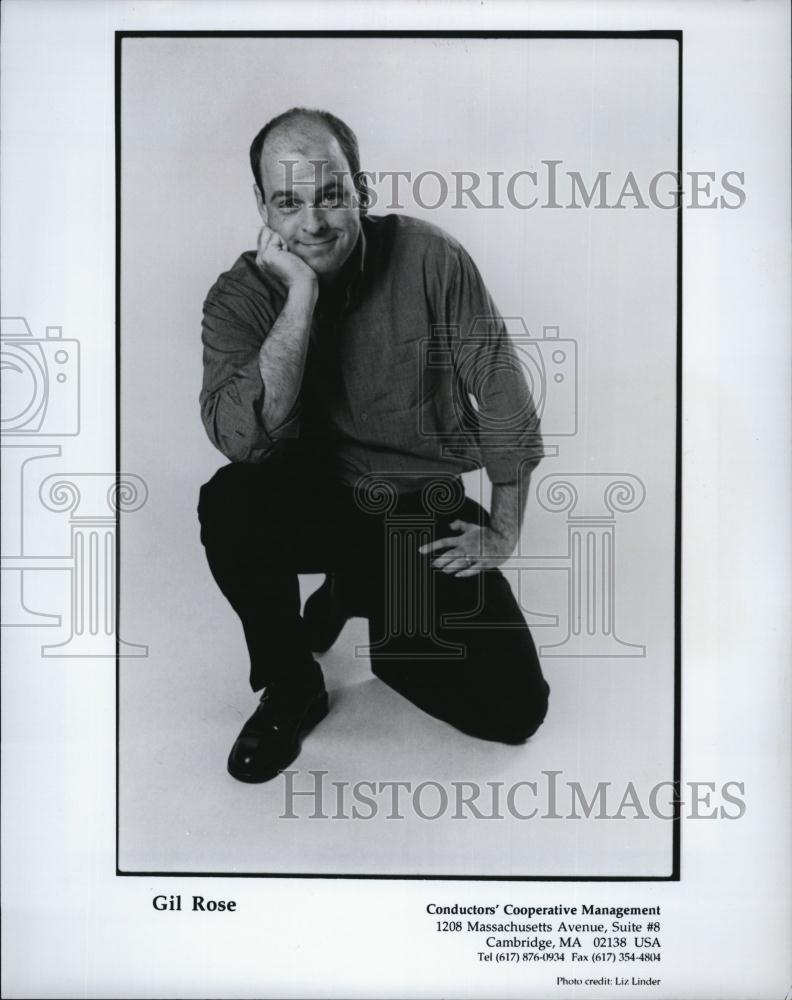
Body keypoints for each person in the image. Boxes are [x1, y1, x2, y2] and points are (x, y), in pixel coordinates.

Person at [197, 107, 550, 783]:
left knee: (513, 712)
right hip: (312, 502)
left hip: (413, 510)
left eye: (331, 196)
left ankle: (366, 603)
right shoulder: (239, 297)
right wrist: (299, 298)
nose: (315, 224)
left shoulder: (429, 257)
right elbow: (242, 437)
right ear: (262, 207)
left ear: (361, 187)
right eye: (289, 203)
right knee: (232, 500)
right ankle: (292, 684)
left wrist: (504, 527)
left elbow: (502, 387)